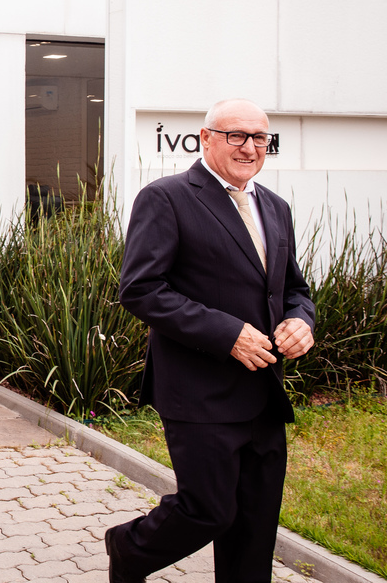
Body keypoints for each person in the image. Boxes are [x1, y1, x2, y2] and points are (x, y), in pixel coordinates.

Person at [107, 98, 316, 582]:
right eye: (236, 135)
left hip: (264, 391)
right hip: (198, 391)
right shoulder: (167, 197)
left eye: (259, 137)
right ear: (206, 138)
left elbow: (294, 290)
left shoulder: (275, 207)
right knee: (209, 510)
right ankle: (129, 546)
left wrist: (301, 321)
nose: (249, 147)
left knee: (255, 524)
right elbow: (140, 290)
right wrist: (229, 334)